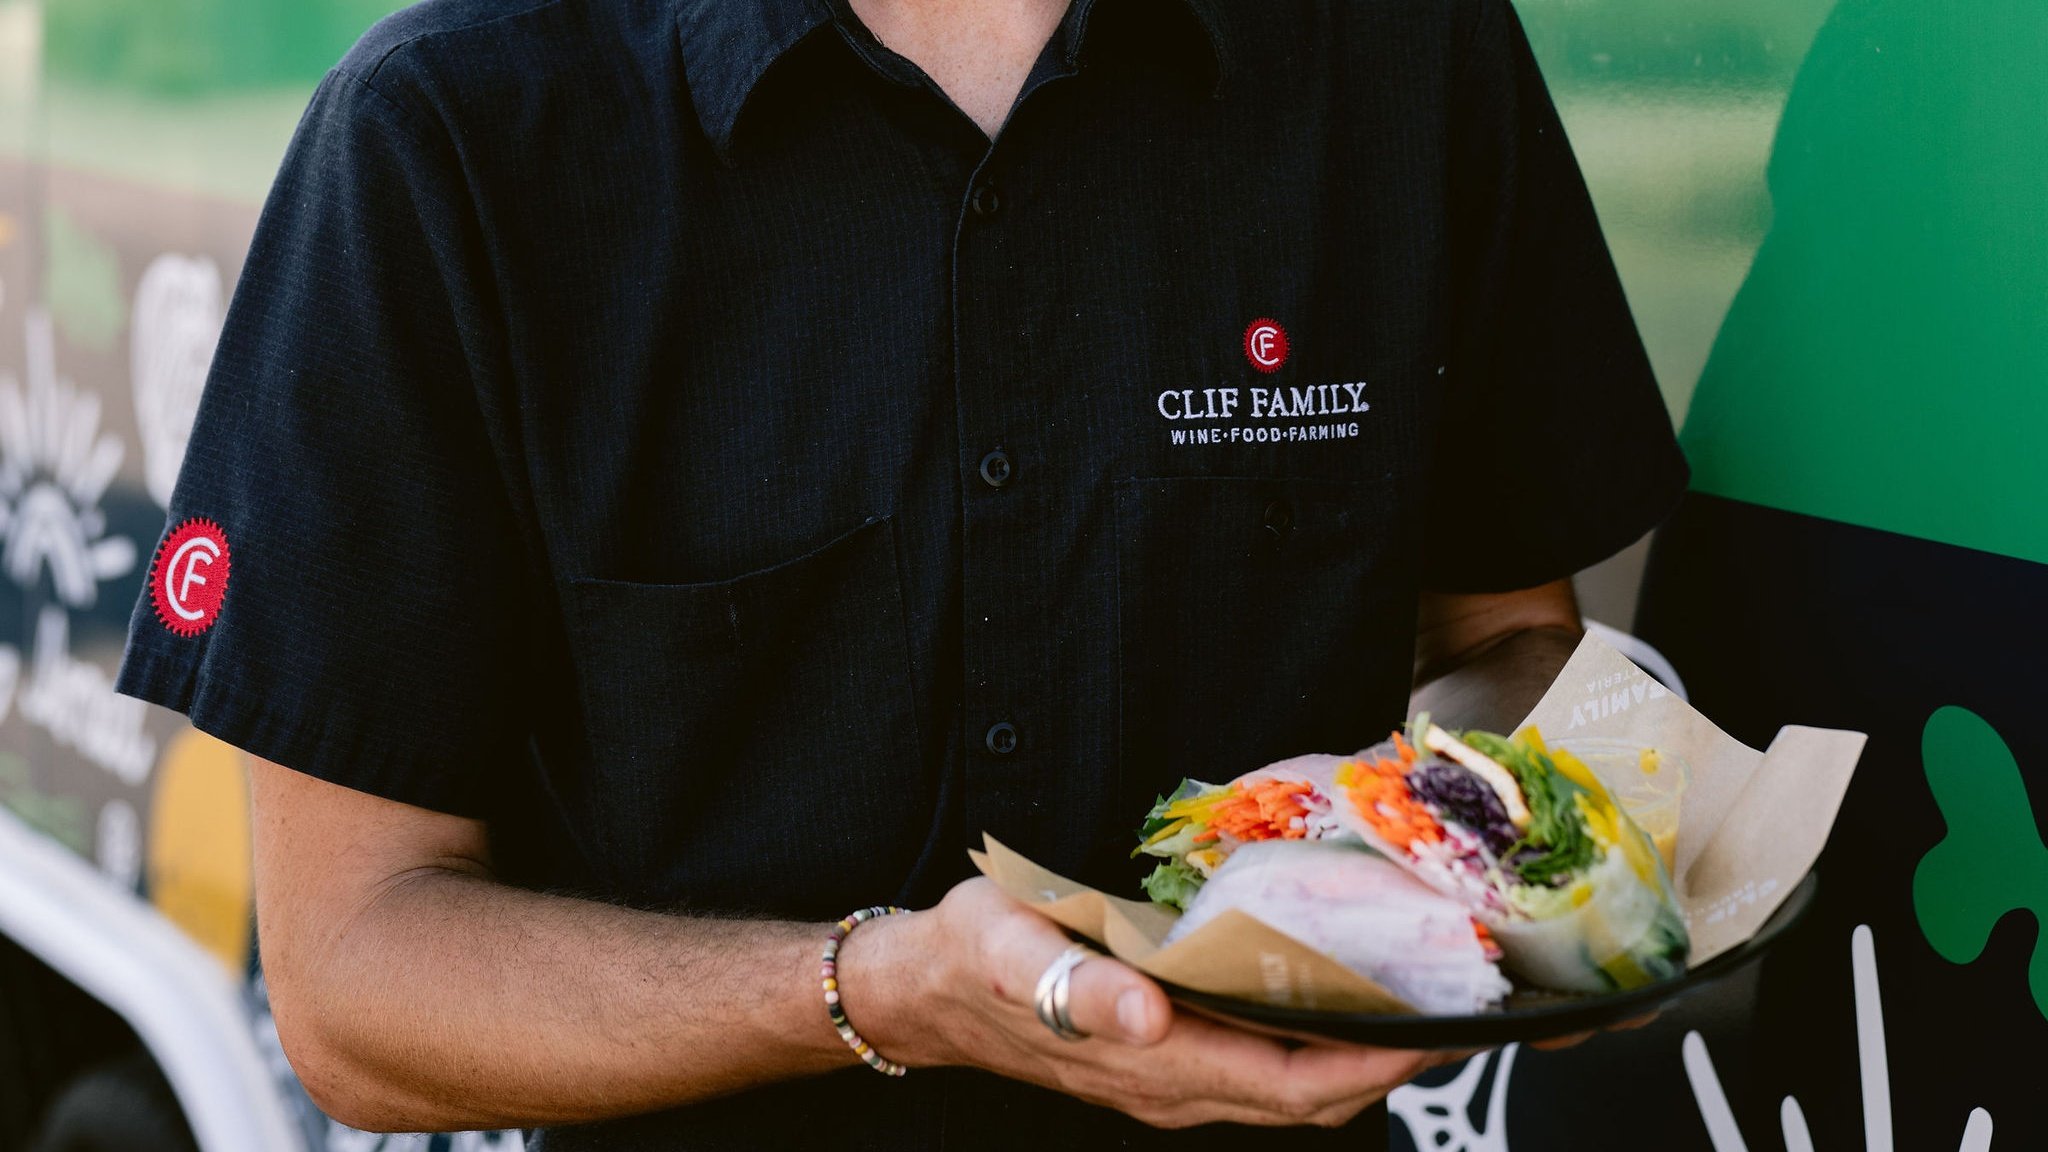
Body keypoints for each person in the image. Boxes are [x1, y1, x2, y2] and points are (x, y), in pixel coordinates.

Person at [113, 0, 1687, 1148]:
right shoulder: (450, 128)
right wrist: (880, 988)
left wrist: (1485, 843)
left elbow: (1500, 633)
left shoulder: (1401, 54)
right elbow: (352, 986)